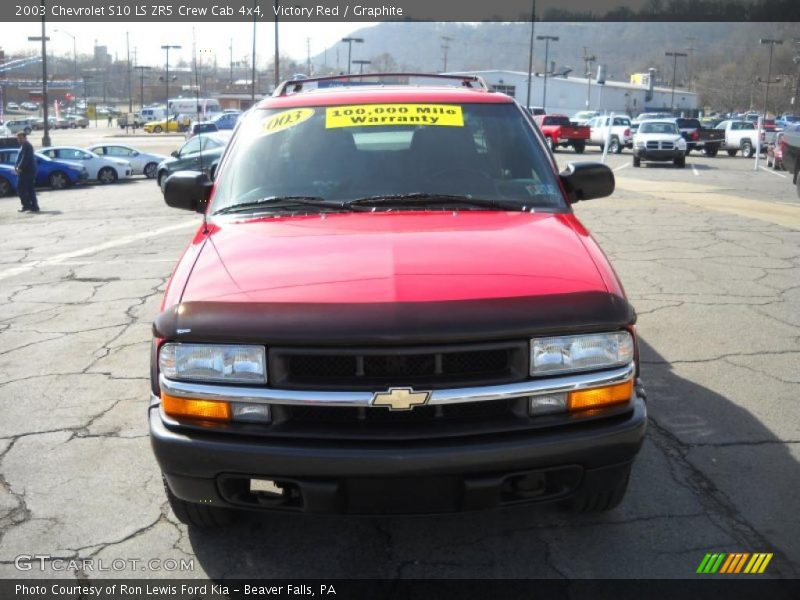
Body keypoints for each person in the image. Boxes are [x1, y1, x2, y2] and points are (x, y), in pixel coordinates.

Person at [14, 131, 39, 213]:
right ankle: (34, 206)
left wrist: (19, 167)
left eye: (21, 138)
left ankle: (26, 205)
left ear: (25, 138)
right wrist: (16, 167)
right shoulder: (23, 146)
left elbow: (25, 158)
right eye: (18, 138)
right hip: (26, 171)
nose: (19, 140)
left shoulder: (27, 146)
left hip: (26, 172)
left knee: (20, 189)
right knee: (30, 189)